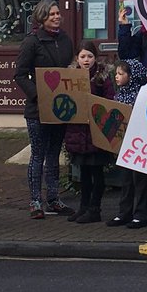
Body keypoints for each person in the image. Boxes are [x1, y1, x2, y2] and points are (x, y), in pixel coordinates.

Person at [15, 0, 76, 219]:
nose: (57, 16)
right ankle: (35, 201)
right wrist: (38, 94)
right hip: (38, 108)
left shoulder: (66, 40)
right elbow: (20, 75)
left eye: (58, 13)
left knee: (53, 154)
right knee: (37, 154)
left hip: (60, 107)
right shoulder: (32, 42)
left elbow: (70, 69)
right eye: (51, 14)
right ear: (41, 18)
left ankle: (53, 198)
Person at [64, 41, 114, 225]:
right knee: (83, 172)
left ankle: (95, 209)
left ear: (95, 58)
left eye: (90, 56)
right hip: (78, 131)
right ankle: (83, 207)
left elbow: (109, 100)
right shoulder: (70, 76)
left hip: (95, 131)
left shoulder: (102, 77)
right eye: (83, 56)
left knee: (96, 171)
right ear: (77, 58)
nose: (86, 60)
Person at [106, 58, 147, 228]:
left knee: (139, 180)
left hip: (139, 145)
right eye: (116, 73)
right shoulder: (120, 94)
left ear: (132, 76)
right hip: (124, 144)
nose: (117, 77)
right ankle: (124, 212)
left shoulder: (140, 95)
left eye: (121, 74)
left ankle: (141, 213)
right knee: (126, 179)